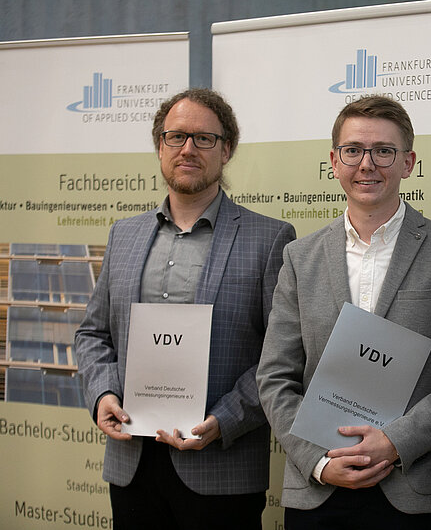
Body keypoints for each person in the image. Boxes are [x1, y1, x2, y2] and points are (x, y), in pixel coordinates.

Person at [257, 96, 431, 529]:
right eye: (353, 150)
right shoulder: (300, 258)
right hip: (319, 489)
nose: (367, 164)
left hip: (410, 487)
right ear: (334, 162)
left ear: (408, 163)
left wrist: (395, 442)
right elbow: (274, 377)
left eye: (383, 151)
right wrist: (318, 461)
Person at [75, 87, 296, 529]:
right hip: (132, 464)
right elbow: (92, 335)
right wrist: (103, 395)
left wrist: (224, 420)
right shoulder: (124, 234)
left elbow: (283, 355)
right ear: (160, 147)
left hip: (221, 469)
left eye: (204, 138)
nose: (188, 149)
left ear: (226, 150)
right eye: (176, 137)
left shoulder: (270, 239)